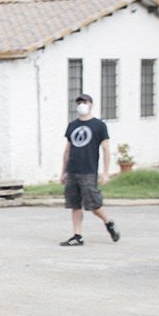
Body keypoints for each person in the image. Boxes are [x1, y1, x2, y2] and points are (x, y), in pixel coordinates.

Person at [59, 94, 119, 246]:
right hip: (73, 170)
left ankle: (108, 222)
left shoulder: (99, 125)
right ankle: (77, 235)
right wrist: (63, 171)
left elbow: (106, 149)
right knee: (74, 204)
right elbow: (67, 150)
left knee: (94, 205)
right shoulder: (72, 125)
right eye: (78, 102)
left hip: (88, 170)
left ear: (91, 104)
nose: (81, 104)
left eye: (84, 102)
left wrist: (105, 173)